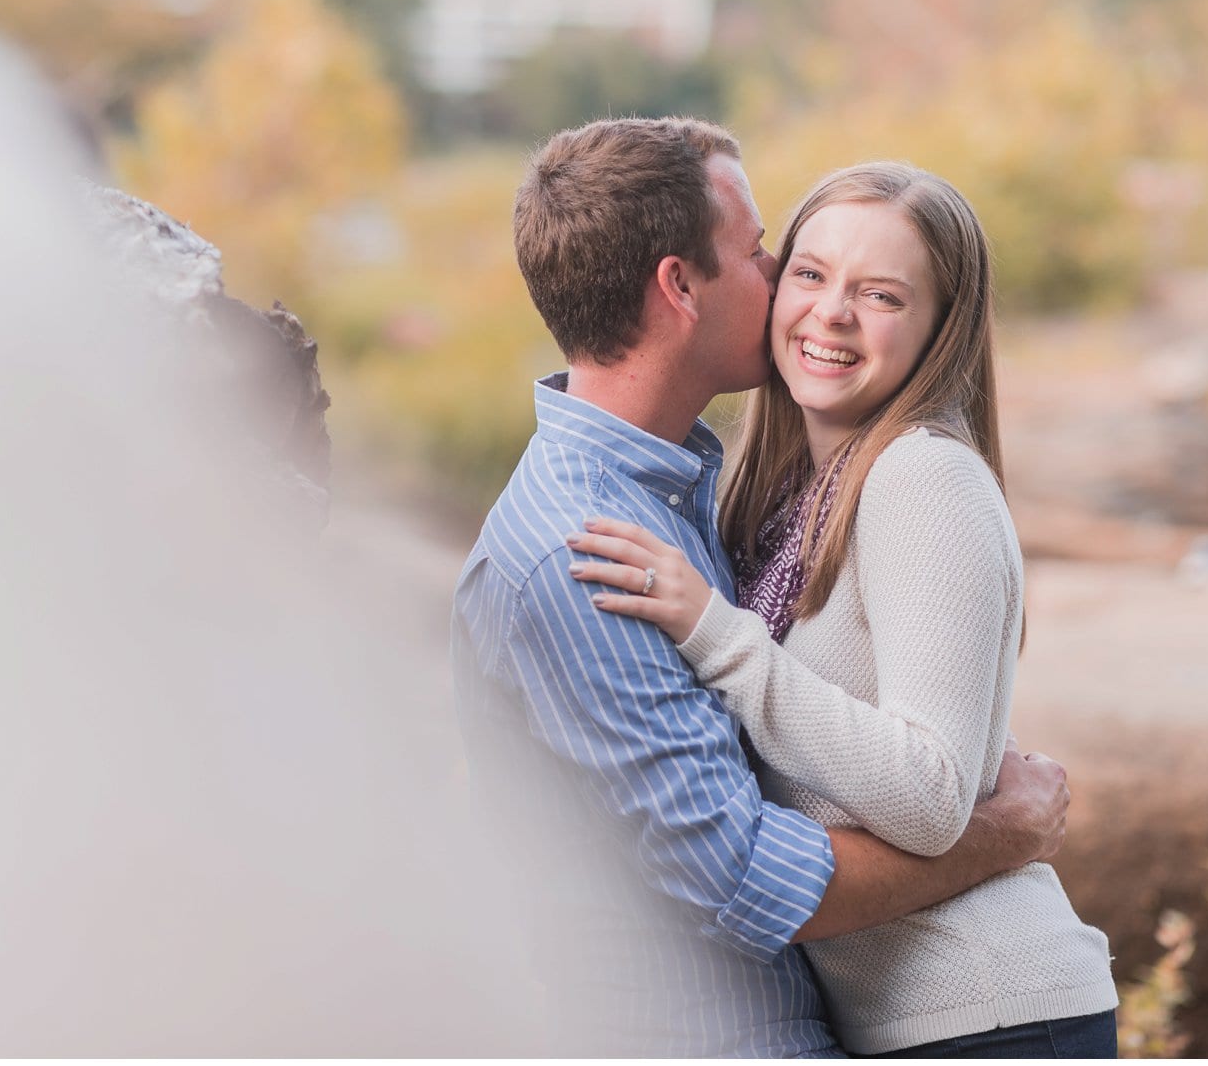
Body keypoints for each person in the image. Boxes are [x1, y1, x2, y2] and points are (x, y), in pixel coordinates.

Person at [451, 121, 1077, 1057]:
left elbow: (918, 752)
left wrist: (725, 636)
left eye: (879, 293)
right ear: (679, 286)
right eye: (769, 257)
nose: (794, 287)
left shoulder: (739, 493)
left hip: (973, 1013)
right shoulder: (596, 546)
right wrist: (1005, 831)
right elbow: (747, 871)